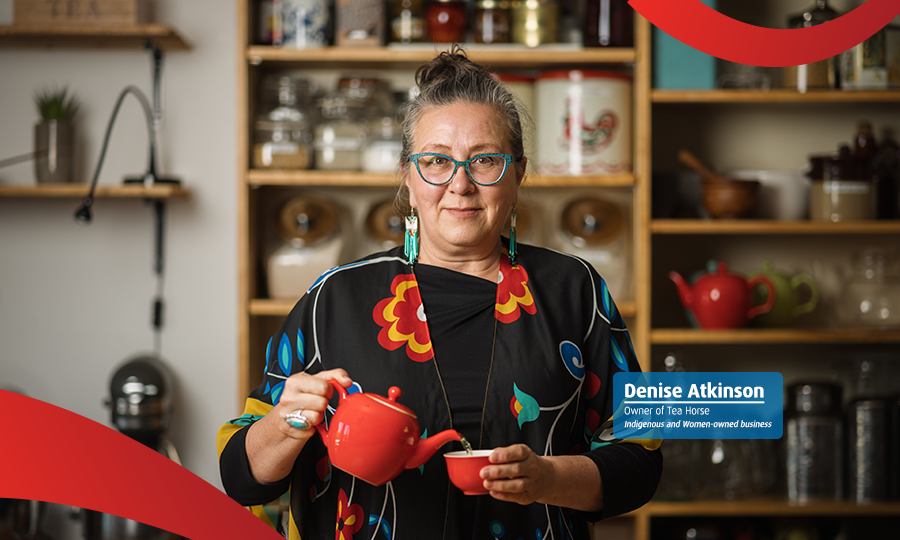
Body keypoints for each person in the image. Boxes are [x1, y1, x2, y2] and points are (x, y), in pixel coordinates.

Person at [218, 46, 662, 540]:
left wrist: (547, 478)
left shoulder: (577, 291)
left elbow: (640, 460)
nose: (460, 184)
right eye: (435, 161)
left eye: (486, 161)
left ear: (518, 176)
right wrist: (285, 425)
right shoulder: (334, 299)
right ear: (408, 178)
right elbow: (240, 479)